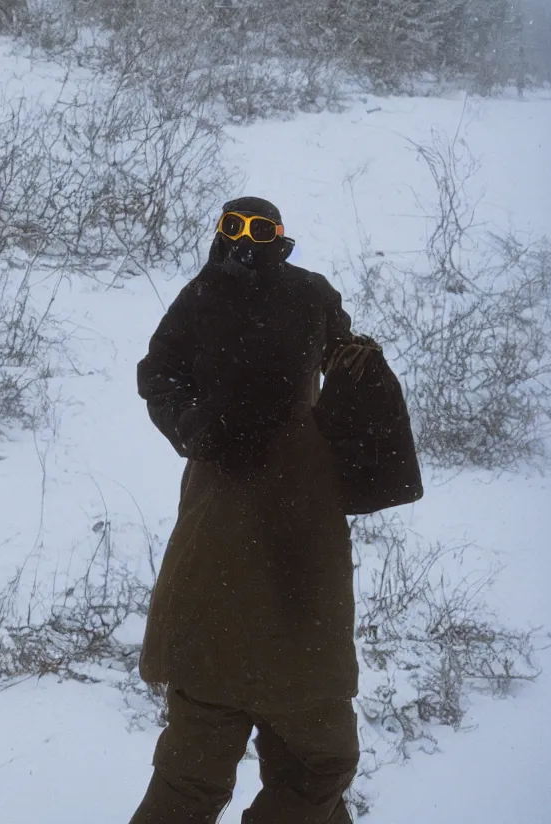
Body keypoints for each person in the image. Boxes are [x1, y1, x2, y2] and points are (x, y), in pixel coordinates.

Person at [130, 197, 360, 824]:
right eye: (232, 228)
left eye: (259, 230)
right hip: (287, 629)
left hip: (232, 604)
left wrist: (197, 425)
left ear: (281, 237)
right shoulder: (207, 298)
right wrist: (194, 425)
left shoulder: (304, 296)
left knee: (195, 782)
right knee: (314, 771)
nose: (244, 241)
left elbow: (347, 367)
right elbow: (159, 373)